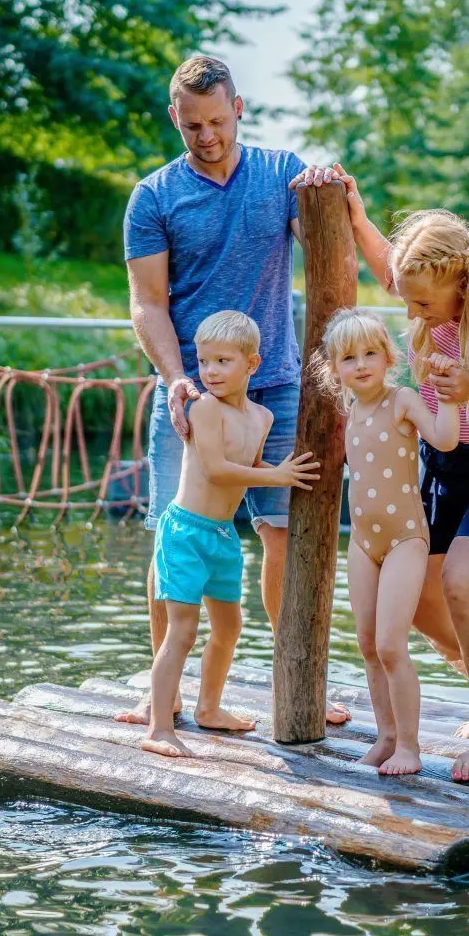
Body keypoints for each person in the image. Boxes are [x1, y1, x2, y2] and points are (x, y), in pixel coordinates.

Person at [293, 168, 469, 782]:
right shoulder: (425, 285)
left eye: (420, 301)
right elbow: (393, 267)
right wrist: (357, 215)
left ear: (459, 280)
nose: (409, 310)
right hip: (450, 459)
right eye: (406, 296)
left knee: (464, 586)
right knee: (416, 600)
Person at [123, 54, 352, 726]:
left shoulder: (281, 174)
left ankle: (297, 677)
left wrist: (326, 186)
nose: (208, 137)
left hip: (276, 386)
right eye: (193, 125)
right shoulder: (155, 196)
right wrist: (175, 379)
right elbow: (147, 304)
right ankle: (158, 687)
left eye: (218, 121)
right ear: (176, 118)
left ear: (239, 109)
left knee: (280, 533)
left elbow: (326, 244)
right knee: (175, 535)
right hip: (190, 394)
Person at [135, 310, 322, 758]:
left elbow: (249, 465)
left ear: (252, 364)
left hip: (221, 535)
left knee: (230, 626)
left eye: (223, 361)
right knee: (183, 630)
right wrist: (278, 477)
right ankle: (159, 727)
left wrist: (273, 471)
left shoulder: (261, 417)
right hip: (185, 532)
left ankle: (209, 707)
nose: (211, 372)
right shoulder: (203, 410)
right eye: (204, 362)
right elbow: (217, 471)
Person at [315, 309, 461, 775]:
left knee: (392, 644)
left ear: (388, 357)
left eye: (371, 353)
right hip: (362, 542)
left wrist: (449, 399)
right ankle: (386, 735)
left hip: (404, 539)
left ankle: (411, 748)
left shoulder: (401, 400)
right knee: (366, 642)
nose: (361, 365)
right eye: (349, 358)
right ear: (334, 368)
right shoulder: (350, 411)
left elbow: (445, 439)